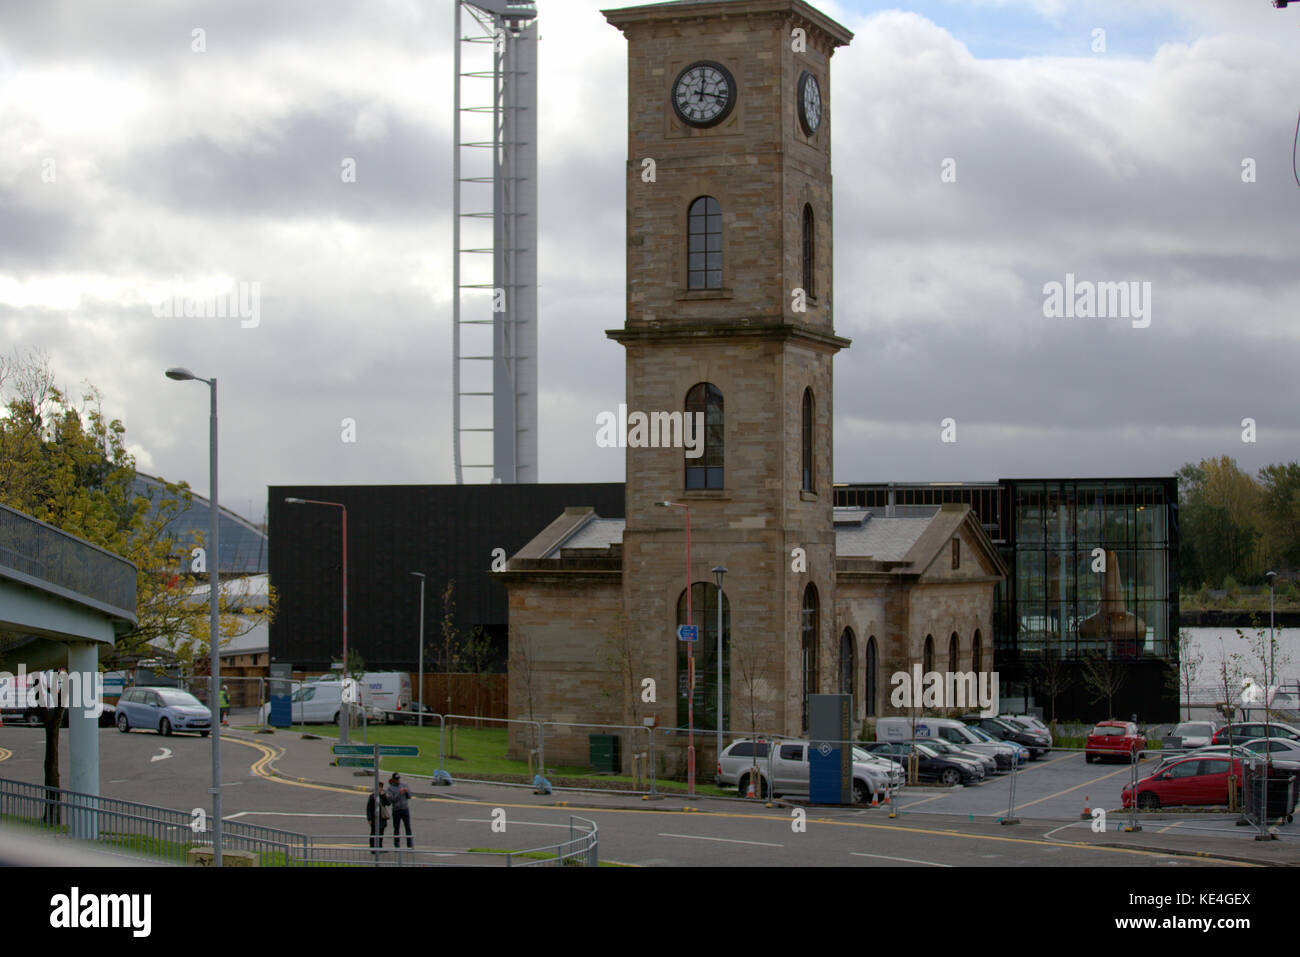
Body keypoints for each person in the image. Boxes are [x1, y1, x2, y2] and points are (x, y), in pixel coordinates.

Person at [386, 772, 413, 849]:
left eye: (399, 779)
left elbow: (410, 796)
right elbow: (391, 800)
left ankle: (409, 844)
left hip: (405, 809)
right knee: (396, 828)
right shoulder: (390, 788)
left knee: (408, 827)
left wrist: (407, 791)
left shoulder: (404, 785)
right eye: (396, 779)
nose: (398, 781)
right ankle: (397, 844)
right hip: (396, 810)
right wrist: (399, 793)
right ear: (393, 780)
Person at [365, 782, 390, 853]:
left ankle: (380, 847)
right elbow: (368, 808)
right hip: (374, 818)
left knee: (381, 833)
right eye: (379, 787)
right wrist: (369, 819)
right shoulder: (372, 796)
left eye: (381, 787)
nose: (380, 789)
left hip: (382, 818)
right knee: (373, 833)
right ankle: (372, 848)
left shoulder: (383, 796)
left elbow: (388, 803)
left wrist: (384, 796)